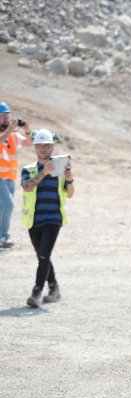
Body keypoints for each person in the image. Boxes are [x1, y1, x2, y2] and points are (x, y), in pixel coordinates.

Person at [19, 129, 74, 307]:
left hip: (53, 219)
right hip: (34, 220)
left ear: (52, 148)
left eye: (47, 146)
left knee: (43, 256)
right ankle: (54, 288)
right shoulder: (28, 170)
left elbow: (70, 194)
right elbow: (27, 187)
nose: (43, 149)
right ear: (35, 148)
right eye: (40, 146)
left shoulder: (60, 169)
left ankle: (36, 293)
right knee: (42, 256)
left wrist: (70, 179)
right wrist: (43, 172)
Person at [0, 101, 32, 248]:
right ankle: (4, 237)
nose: (6, 120)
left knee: (3, 208)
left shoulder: (13, 135)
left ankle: (2, 237)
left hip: (10, 178)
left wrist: (27, 130)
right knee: (9, 205)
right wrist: (9, 130)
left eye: (8, 117)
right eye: (3, 117)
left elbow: (28, 143)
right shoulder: (9, 133)